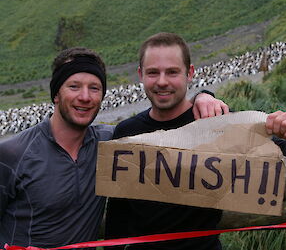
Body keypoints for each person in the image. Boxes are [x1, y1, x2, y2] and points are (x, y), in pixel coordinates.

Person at [0, 47, 228, 249]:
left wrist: (203, 97)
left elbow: (167, 130)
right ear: (56, 94)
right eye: (74, 86)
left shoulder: (113, 144)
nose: (85, 97)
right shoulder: (12, 153)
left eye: (95, 88)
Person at [104, 32, 286, 250]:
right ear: (140, 74)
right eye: (153, 73)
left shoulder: (219, 123)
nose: (162, 81)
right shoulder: (126, 131)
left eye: (172, 72)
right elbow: (118, 214)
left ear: (190, 73)